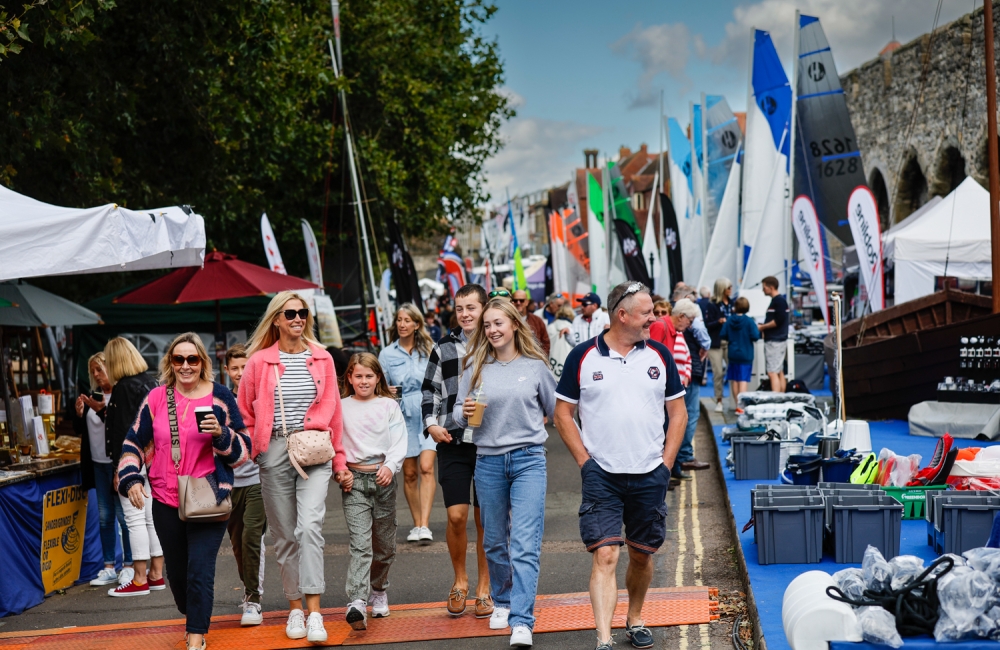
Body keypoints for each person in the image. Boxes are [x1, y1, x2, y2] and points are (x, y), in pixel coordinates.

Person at [553, 282, 687, 650]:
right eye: (647, 313)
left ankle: (636, 617)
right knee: (606, 553)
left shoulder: (659, 355)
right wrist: (585, 462)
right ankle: (603, 639)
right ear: (621, 315)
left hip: (649, 473)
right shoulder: (582, 356)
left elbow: (678, 413)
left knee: (642, 555)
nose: (654, 318)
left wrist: (666, 465)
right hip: (602, 476)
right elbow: (563, 414)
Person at [117, 333, 251, 650]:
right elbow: (133, 442)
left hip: (209, 498)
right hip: (166, 501)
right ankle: (193, 614)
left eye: (193, 359)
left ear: (202, 362)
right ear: (171, 364)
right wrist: (131, 478)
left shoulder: (220, 397)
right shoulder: (156, 399)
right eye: (179, 359)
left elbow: (244, 450)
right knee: (177, 576)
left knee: (199, 571)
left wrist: (221, 434)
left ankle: (195, 637)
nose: (186, 365)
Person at [238, 291, 347, 644]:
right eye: (290, 313)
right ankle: (295, 607)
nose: (298, 318)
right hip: (274, 450)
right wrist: (257, 449)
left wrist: (340, 458)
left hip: (314, 451)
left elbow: (336, 413)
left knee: (310, 527)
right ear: (277, 320)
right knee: (284, 534)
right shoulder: (259, 362)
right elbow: (245, 412)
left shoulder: (323, 358)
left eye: (302, 313)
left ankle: (315, 612)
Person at [454, 298, 556, 648]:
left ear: (514, 324)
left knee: (524, 544)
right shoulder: (476, 366)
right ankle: (503, 599)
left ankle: (523, 620)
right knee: (495, 540)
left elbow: (555, 409)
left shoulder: (536, 366)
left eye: (499, 323)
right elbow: (456, 415)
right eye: (487, 325)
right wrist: (463, 412)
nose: (493, 330)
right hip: (488, 461)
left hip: (529, 459)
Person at [420, 284, 492, 618]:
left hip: (491, 441)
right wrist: (431, 424)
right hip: (452, 441)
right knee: (456, 515)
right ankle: (460, 578)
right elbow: (430, 390)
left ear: (484, 308)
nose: (465, 314)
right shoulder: (444, 346)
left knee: (485, 518)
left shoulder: (498, 342)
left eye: (471, 308)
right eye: (460, 308)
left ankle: (484, 587)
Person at [339, 353, 407, 630]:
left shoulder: (388, 406)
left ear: (378, 377)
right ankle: (356, 600)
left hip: (383, 480)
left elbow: (400, 441)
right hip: (354, 481)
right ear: (350, 379)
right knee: (360, 544)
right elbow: (334, 442)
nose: (364, 381)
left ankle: (378, 589)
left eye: (369, 376)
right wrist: (340, 470)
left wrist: (391, 466)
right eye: (358, 376)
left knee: (385, 545)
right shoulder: (341, 407)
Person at [104, 337, 163, 597]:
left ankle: (139, 578)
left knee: (134, 519)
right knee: (150, 519)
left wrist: (120, 468)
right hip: (155, 461)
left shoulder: (123, 388)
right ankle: (156, 575)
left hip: (133, 463)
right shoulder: (151, 382)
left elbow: (123, 433)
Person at [378, 304, 436, 544]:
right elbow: (378, 387)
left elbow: (438, 382)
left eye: (407, 320)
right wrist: (385, 390)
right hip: (401, 415)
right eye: (399, 320)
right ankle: (417, 524)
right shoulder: (386, 354)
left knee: (426, 467)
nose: (402, 324)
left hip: (428, 410)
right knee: (410, 473)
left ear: (417, 324)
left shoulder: (431, 349)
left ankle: (425, 524)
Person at [75, 352, 132, 588]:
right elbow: (89, 431)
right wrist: (80, 414)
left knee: (124, 516)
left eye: (100, 369)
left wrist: (98, 409)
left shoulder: (120, 394)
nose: (97, 375)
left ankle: (130, 565)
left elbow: (119, 427)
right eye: (94, 371)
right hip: (98, 463)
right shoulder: (93, 396)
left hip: (117, 463)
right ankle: (109, 565)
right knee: (105, 517)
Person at [222, 344, 267, 626]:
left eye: (244, 367)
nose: (240, 373)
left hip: (259, 480)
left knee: (252, 536)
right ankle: (251, 588)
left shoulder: (261, 398)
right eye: (235, 368)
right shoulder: (221, 401)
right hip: (229, 482)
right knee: (238, 544)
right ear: (226, 371)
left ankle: (253, 599)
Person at [651, 299, 708, 480]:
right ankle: (664, 475)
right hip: (661, 389)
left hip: (669, 388)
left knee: (672, 429)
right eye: (690, 321)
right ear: (681, 316)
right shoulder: (662, 326)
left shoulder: (673, 329)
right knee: (665, 430)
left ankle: (672, 470)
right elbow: (651, 356)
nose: (690, 325)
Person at [721, 297, 760, 407]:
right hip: (746, 354)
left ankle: (737, 405)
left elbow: (723, 334)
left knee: (734, 380)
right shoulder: (749, 321)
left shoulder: (729, 320)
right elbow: (755, 336)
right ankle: (742, 406)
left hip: (733, 353)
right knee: (743, 380)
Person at [705, 278, 733, 413]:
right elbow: (708, 324)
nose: (731, 290)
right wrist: (718, 321)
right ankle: (719, 400)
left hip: (730, 341)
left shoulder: (732, 303)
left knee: (733, 370)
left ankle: (735, 399)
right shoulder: (712, 305)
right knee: (718, 373)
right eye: (729, 287)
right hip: (715, 342)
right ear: (722, 289)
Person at [758, 276, 789, 393]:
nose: (763, 290)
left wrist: (762, 327)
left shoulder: (779, 301)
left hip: (775, 341)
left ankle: (776, 398)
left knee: (772, 372)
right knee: (779, 370)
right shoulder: (779, 301)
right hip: (778, 339)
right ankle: (781, 396)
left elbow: (778, 320)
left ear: (771, 287)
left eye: (764, 287)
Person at [512, 290, 551, 358]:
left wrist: (540, 359)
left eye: (521, 300)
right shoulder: (508, 320)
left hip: (534, 360)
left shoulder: (537, 321)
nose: (518, 303)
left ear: (527, 302)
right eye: (515, 300)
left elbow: (546, 342)